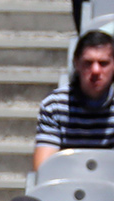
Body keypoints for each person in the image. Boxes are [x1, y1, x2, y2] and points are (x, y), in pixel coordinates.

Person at [33, 30, 114, 171]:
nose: (95, 70)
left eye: (103, 63)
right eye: (88, 63)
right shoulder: (54, 105)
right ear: (76, 63)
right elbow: (43, 169)